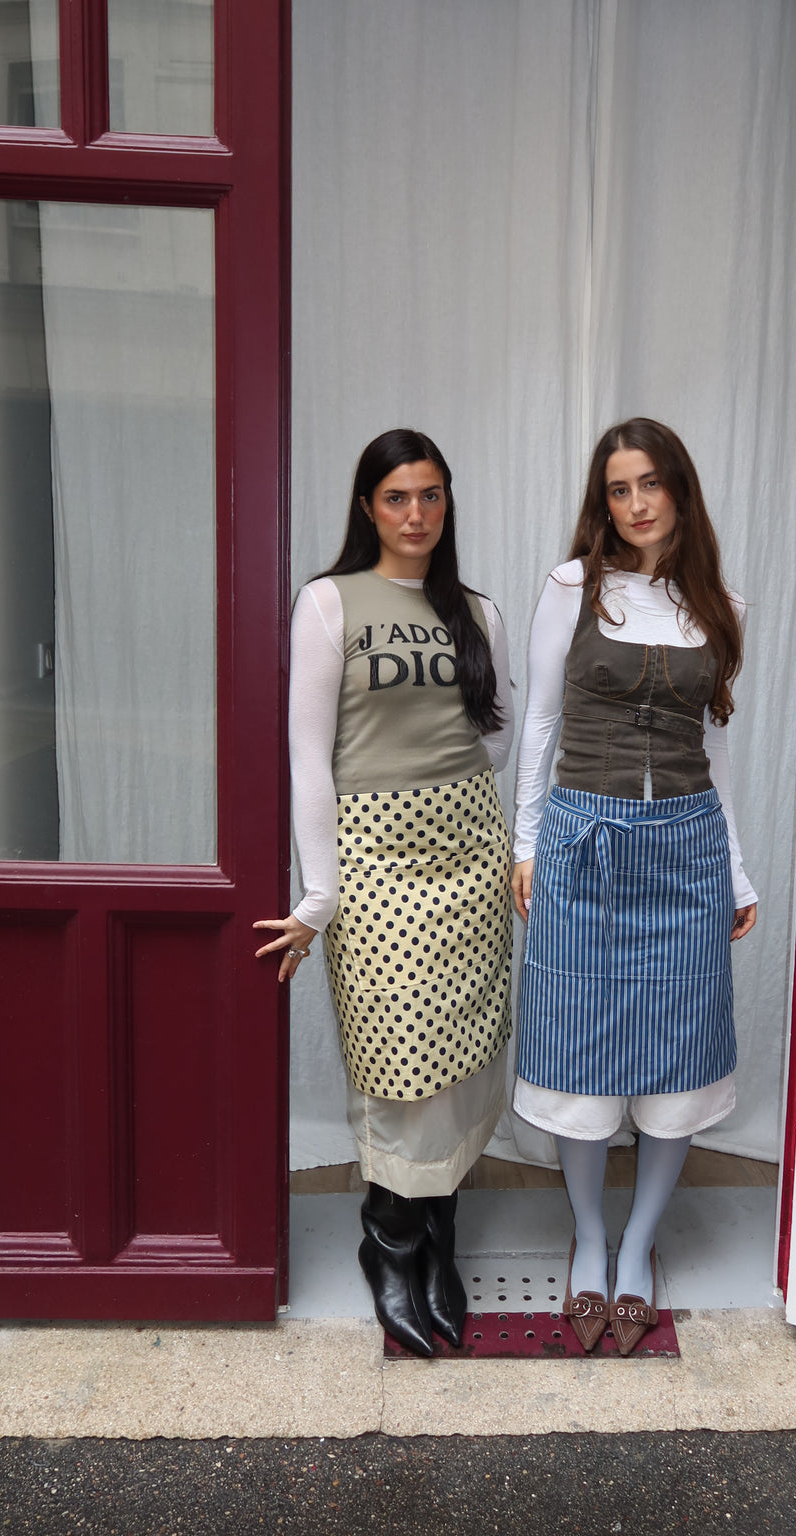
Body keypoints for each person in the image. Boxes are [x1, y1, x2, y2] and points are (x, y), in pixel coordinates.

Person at [255, 429, 514, 1358]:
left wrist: (466, 819)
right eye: (398, 498)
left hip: (470, 860)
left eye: (432, 497)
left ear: (449, 504)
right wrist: (319, 893)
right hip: (377, 860)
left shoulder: (475, 608)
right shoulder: (331, 603)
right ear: (368, 505)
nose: (417, 516)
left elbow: (493, 736)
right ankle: (389, 1244)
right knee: (400, 1060)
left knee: (463, 1055)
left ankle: (438, 1237)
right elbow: (307, 755)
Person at [511, 417, 757, 1355]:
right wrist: (528, 843)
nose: (636, 503)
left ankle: (641, 1244)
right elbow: (539, 722)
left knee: (679, 1052)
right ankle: (590, 1240)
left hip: (688, 847)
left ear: (679, 490)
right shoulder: (573, 590)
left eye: (650, 483)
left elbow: (717, 747)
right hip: (584, 839)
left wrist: (736, 866)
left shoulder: (720, 604)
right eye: (618, 488)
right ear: (601, 501)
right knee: (580, 1048)